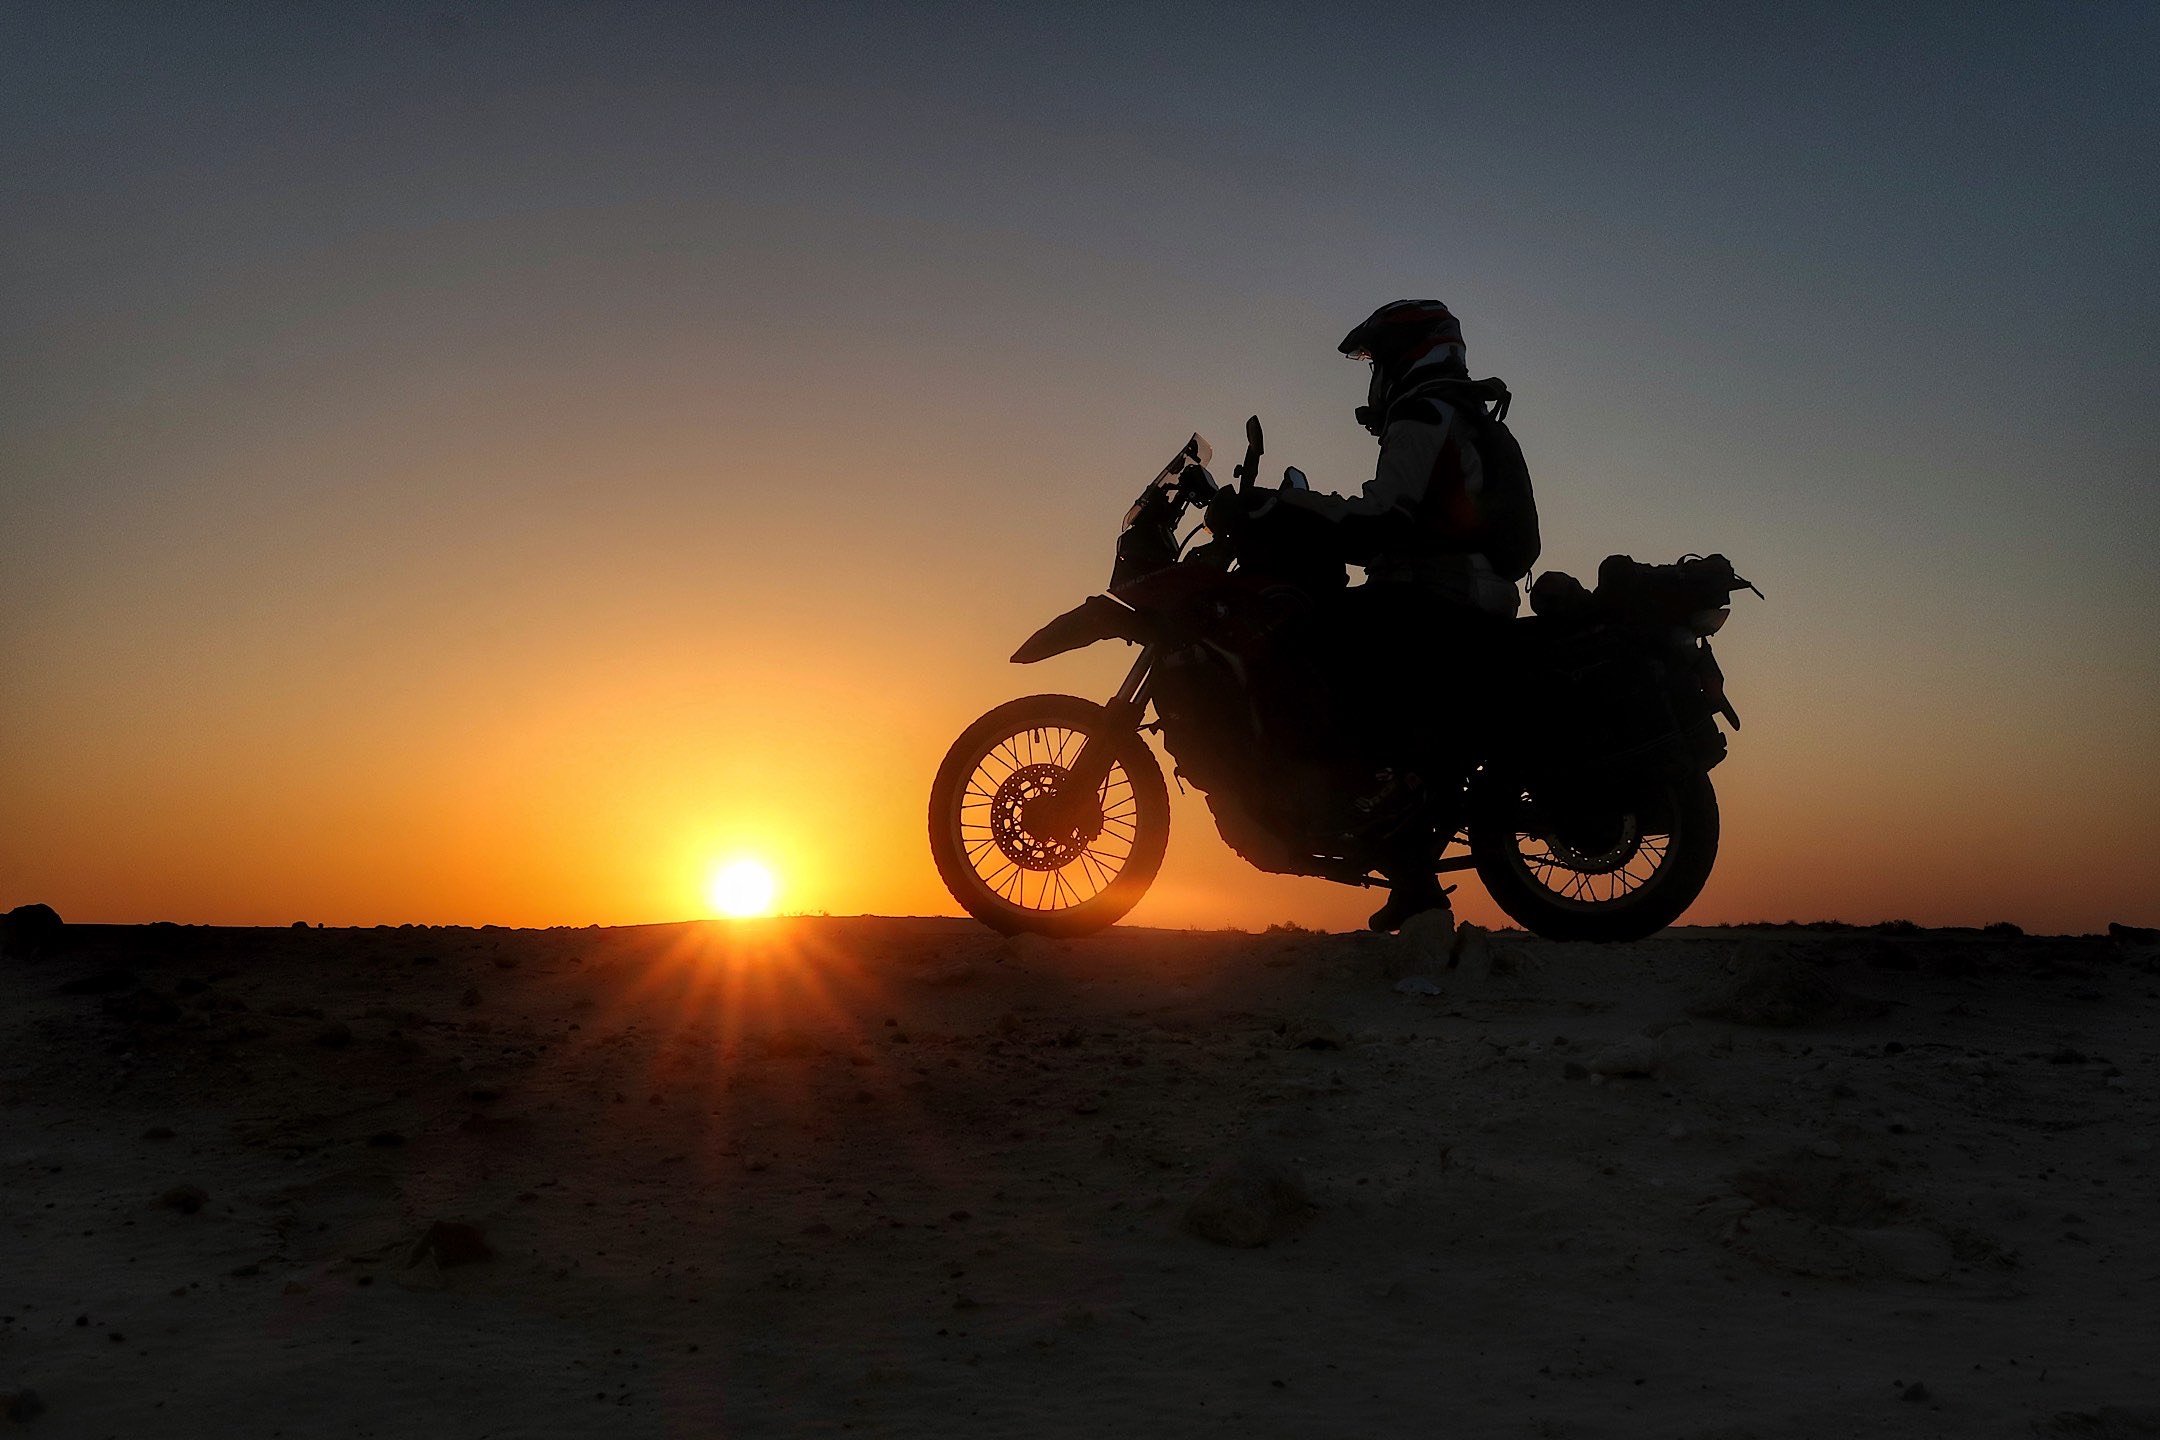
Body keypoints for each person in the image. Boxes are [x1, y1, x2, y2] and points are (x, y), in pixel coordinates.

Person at [1208, 299, 1539, 933]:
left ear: (1407, 354)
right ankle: (1412, 879)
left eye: (1377, 361)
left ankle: (1380, 794)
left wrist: (1280, 510)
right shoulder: (1453, 410)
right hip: (1457, 591)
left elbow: (1384, 517)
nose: (1373, 378)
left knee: (1301, 649)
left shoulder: (1426, 410)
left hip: (1440, 595)